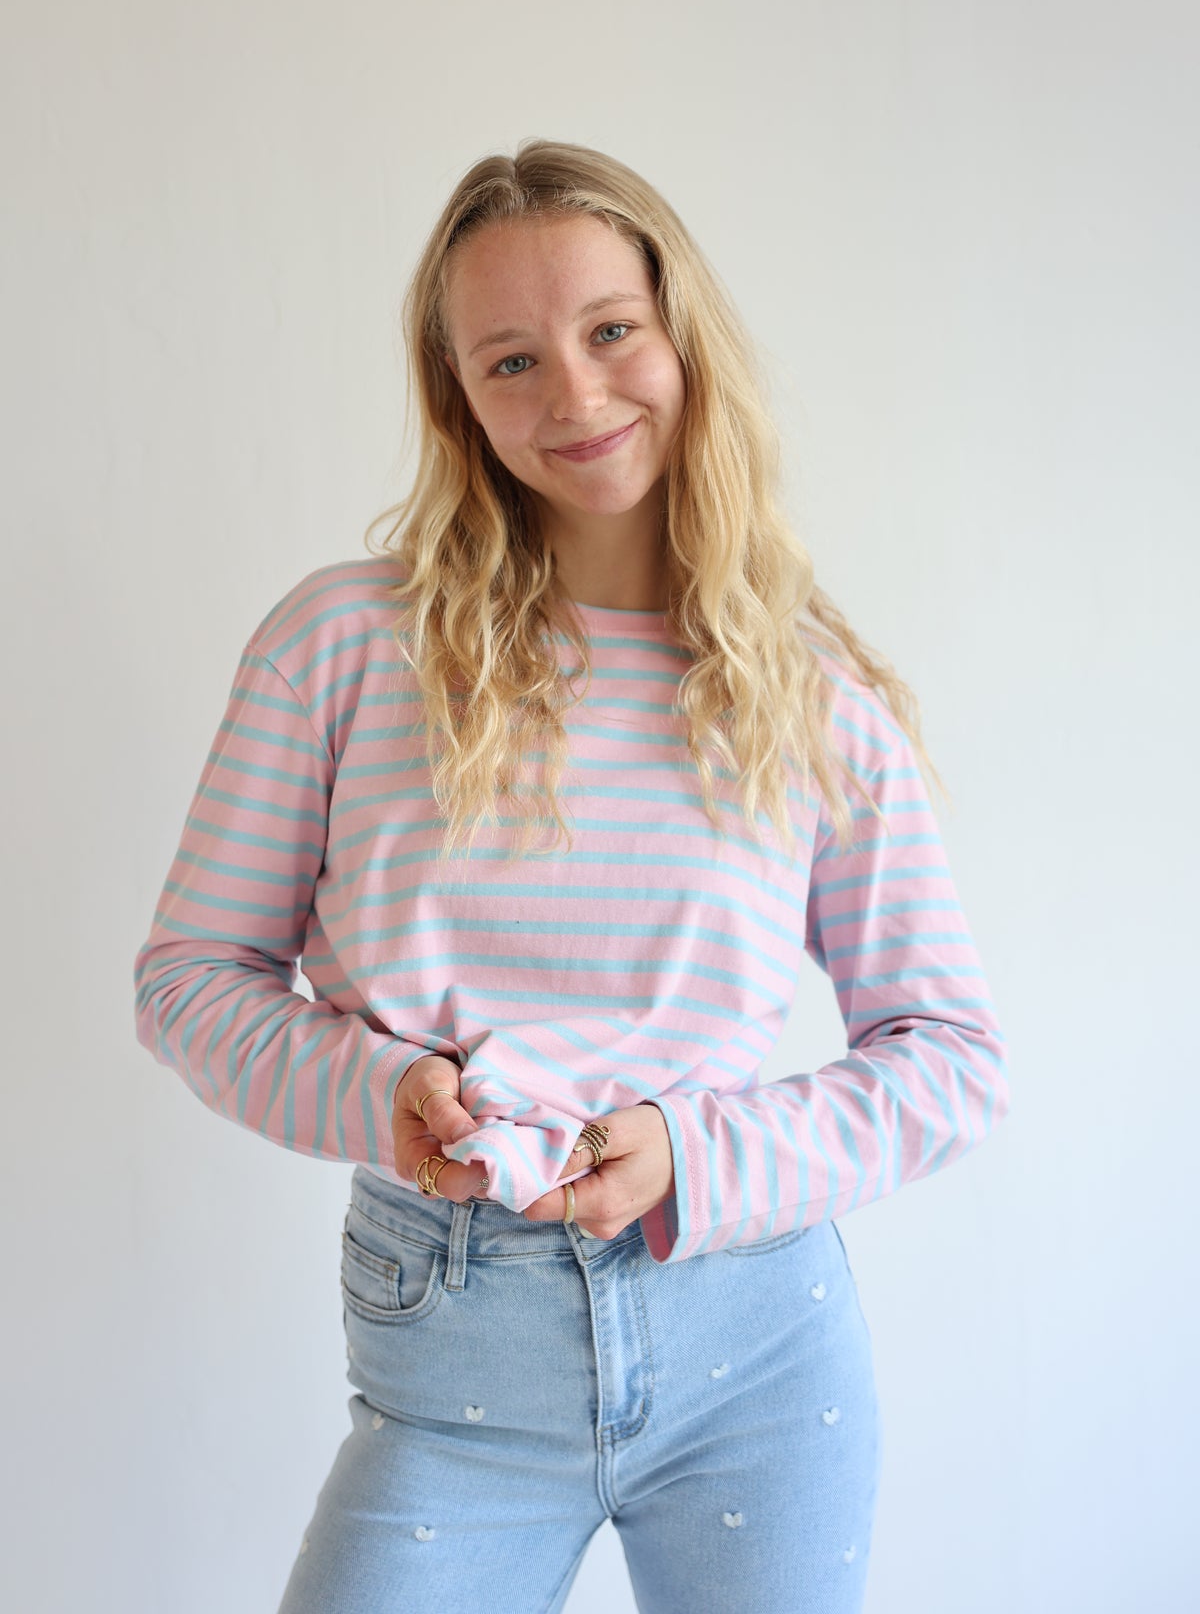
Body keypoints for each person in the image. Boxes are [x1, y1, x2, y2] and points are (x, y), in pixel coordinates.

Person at [134, 138, 1009, 1613]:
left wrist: (695, 1156)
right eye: (513, 360)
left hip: (758, 1355)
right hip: (452, 1356)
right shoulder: (340, 649)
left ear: (683, 336)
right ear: (459, 398)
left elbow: (953, 1057)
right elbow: (191, 979)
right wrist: (378, 1093)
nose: (578, 395)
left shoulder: (807, 695)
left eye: (612, 331)